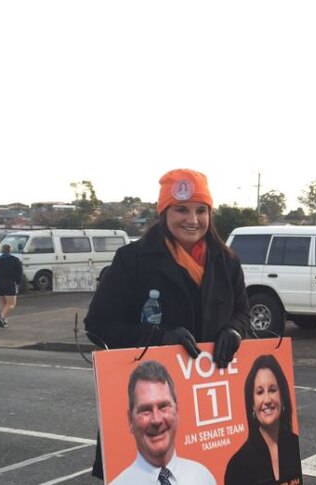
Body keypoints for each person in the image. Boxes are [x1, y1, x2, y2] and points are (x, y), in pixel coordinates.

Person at [85, 168, 250, 479]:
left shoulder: (227, 262)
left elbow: (242, 311)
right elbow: (99, 325)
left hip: (208, 408)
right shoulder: (132, 259)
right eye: (182, 209)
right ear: (164, 213)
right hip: (153, 406)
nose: (193, 219)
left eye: (201, 210)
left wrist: (235, 330)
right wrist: (158, 338)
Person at [110, 360, 216, 485]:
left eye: (163, 407)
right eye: (146, 410)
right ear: (130, 420)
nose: (157, 420)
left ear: (176, 411)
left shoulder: (203, 477)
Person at [225, 354, 302, 485]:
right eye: (260, 392)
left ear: (282, 396)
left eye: (272, 390)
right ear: (252, 404)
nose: (267, 400)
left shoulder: (296, 446)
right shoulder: (238, 465)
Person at [0, 243, 23, 328]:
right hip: (9, 283)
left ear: (2, 250)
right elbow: (19, 273)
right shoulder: (15, 260)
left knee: (2, 302)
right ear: (10, 250)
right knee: (11, 304)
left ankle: (4, 321)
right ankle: (1, 316)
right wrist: (18, 283)